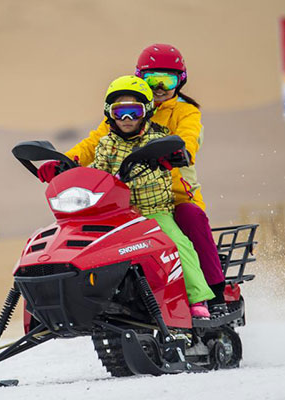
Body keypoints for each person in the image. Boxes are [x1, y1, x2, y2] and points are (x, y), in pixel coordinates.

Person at [38, 44, 228, 316]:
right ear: (141, 80)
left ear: (181, 81)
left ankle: (212, 293)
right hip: (124, 198)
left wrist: (176, 152)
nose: (160, 87)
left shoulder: (185, 111)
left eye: (168, 80)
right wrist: (63, 162)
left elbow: (188, 137)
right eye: (153, 80)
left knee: (190, 221)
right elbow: (94, 143)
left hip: (173, 197)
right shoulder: (128, 109)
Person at [89, 75, 214, 317]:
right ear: (109, 113)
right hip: (119, 215)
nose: (127, 119)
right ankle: (103, 301)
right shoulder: (106, 144)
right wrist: (78, 173)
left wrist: (170, 155)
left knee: (178, 244)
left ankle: (198, 298)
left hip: (154, 212)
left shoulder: (157, 139)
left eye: (134, 112)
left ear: (146, 111)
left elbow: (176, 149)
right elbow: (97, 168)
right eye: (120, 112)